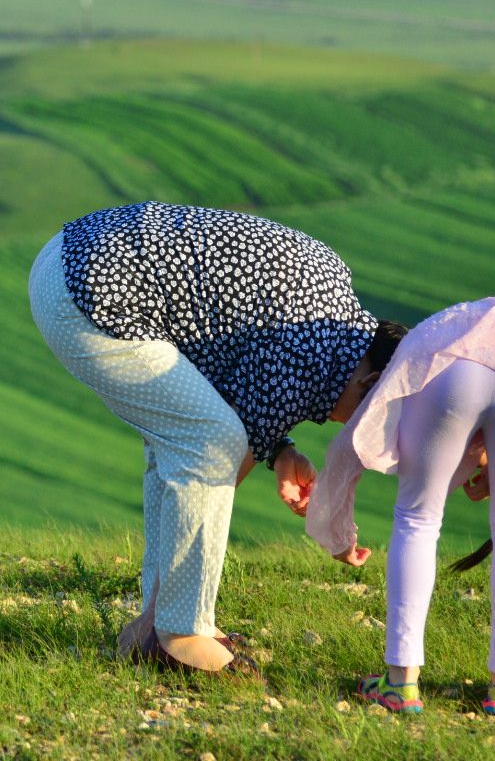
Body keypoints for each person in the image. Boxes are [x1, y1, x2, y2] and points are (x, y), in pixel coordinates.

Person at [28, 201, 406, 673]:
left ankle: (163, 626)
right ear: (371, 386)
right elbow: (220, 458)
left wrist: (280, 449)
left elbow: (238, 383)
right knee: (209, 442)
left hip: (72, 259)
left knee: (192, 435)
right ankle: (178, 634)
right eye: (382, 423)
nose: (360, 434)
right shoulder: (311, 351)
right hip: (86, 294)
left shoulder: (330, 327)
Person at [306, 295, 495, 716]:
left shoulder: (450, 323)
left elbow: (403, 376)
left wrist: (337, 524)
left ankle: (401, 683)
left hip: (448, 372)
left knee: (417, 518)